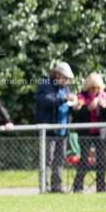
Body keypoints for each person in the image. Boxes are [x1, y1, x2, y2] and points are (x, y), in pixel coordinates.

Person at [35, 61, 78, 193]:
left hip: (63, 130)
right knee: (47, 159)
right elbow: (47, 101)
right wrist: (66, 99)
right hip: (49, 131)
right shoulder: (45, 85)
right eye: (65, 78)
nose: (67, 81)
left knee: (60, 159)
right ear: (57, 74)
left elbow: (66, 105)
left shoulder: (65, 88)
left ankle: (56, 186)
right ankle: (44, 186)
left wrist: (75, 106)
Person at [70, 72, 106, 193]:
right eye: (92, 88)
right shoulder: (80, 97)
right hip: (85, 132)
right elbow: (75, 115)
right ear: (88, 87)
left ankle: (101, 188)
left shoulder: (104, 96)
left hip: (100, 133)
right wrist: (88, 108)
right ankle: (78, 187)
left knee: (101, 159)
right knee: (84, 159)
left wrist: (105, 108)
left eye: (97, 88)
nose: (95, 90)